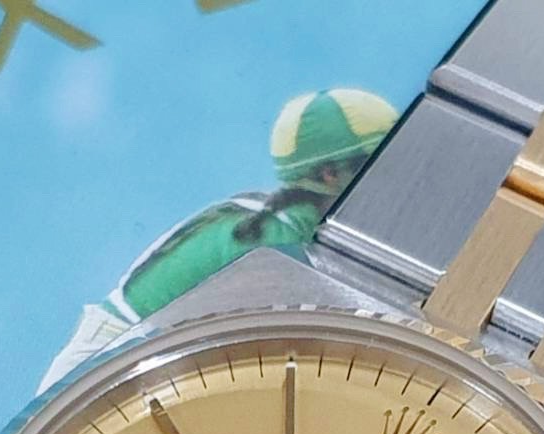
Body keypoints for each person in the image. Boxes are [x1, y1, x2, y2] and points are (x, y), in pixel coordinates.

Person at [40, 88, 399, 390]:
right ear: (329, 174)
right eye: (382, 162)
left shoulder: (284, 223)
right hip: (105, 362)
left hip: (138, 356)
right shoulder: (275, 242)